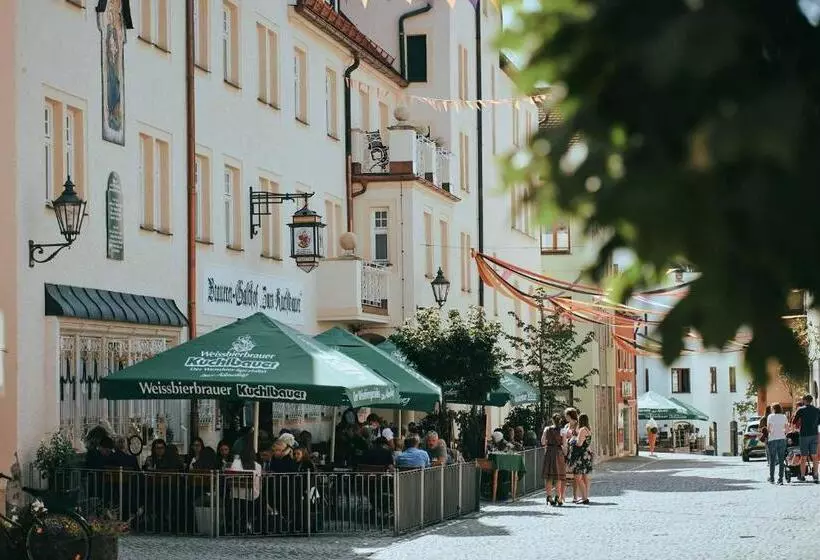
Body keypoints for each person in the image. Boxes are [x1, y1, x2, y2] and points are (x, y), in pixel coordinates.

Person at [792, 394, 820, 482]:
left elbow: (794, 421)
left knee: (803, 456)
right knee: (814, 456)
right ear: (811, 401)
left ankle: (803, 476)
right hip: (814, 434)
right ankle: (815, 475)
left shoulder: (800, 410)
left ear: (804, 400)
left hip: (804, 435)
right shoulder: (817, 410)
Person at [541, 413, 567, 506]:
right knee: (558, 477)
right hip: (558, 452)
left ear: (552, 420)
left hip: (549, 452)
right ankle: (558, 497)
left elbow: (543, 442)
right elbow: (564, 444)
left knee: (549, 477)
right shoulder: (563, 430)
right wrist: (565, 453)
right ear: (560, 421)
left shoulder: (547, 429)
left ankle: (549, 496)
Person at [568, 413, 593, 504]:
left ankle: (584, 498)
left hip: (580, 456)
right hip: (586, 455)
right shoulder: (588, 429)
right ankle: (585, 496)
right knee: (583, 476)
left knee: (578, 477)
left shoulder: (582, 430)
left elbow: (579, 443)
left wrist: (572, 440)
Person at [766, 403, 788, 485]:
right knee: (781, 460)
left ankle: (772, 478)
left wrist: (772, 432)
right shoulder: (784, 416)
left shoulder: (770, 416)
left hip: (772, 439)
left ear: (774, 409)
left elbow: (768, 429)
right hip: (782, 439)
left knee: (772, 460)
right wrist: (783, 433)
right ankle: (780, 479)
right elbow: (787, 429)